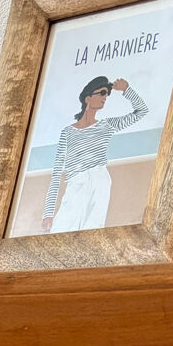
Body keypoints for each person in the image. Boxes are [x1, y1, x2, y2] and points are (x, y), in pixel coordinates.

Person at [41, 76, 149, 233]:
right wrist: (48, 213)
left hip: (99, 180)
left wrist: (126, 89)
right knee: (60, 231)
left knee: (91, 233)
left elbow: (142, 111)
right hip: (76, 183)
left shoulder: (107, 125)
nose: (105, 97)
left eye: (107, 94)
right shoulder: (68, 132)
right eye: (102, 93)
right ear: (88, 98)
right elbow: (57, 172)